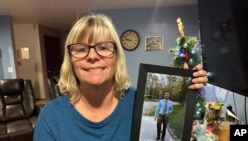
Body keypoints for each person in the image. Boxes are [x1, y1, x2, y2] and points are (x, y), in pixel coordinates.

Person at [33, 13, 208, 141]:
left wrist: (190, 96)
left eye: (103, 47)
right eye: (81, 48)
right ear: (70, 60)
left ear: (117, 57)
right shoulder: (51, 117)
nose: (92, 56)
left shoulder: (138, 103)